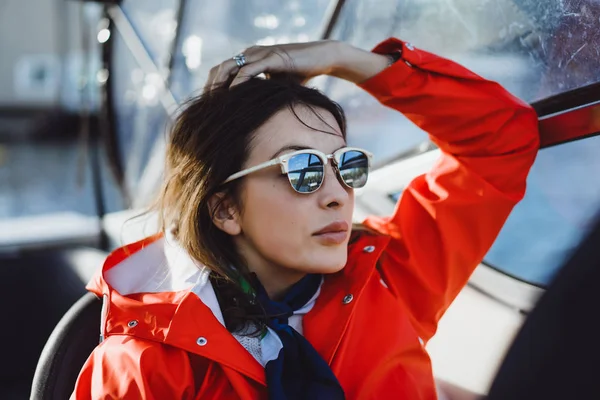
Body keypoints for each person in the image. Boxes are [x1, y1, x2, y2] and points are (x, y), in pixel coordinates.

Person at [71, 37, 539, 399]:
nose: (338, 196)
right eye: (303, 170)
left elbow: (502, 138)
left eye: (346, 164)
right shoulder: (145, 364)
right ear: (224, 208)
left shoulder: (387, 277)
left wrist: (344, 60)